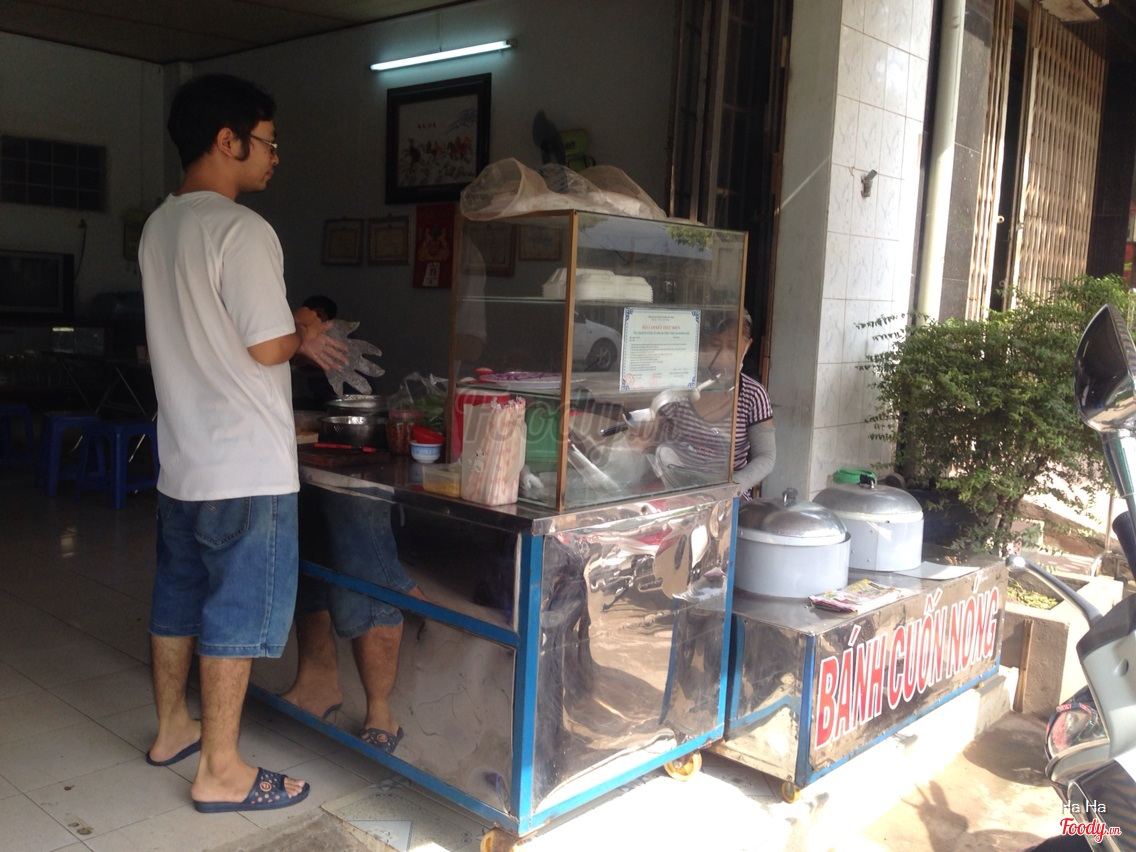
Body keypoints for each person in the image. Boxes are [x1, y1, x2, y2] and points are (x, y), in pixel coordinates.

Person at [138, 73, 347, 813]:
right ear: (227, 141)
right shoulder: (243, 230)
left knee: (177, 598)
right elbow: (266, 346)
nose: (274, 157)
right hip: (246, 466)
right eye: (267, 142)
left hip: (183, 459)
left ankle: (173, 729)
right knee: (234, 610)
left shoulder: (159, 226)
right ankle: (221, 770)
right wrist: (304, 331)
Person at [281, 488, 428, 754]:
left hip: (362, 475)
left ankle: (381, 711)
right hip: (309, 467)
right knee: (308, 543)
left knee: (365, 560)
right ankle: (315, 683)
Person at [649, 310, 775, 499]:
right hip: (680, 493)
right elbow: (655, 441)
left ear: (747, 346)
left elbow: (766, 456)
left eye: (733, 347)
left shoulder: (754, 395)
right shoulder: (683, 389)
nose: (723, 356)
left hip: (729, 498)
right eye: (715, 345)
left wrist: (731, 488)